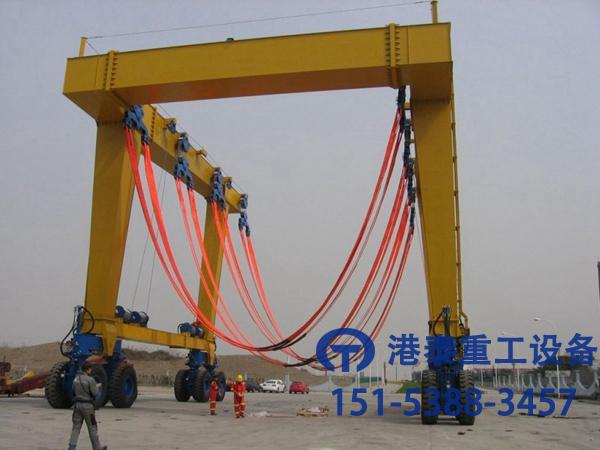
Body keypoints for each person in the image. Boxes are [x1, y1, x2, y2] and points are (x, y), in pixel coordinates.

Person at [68, 362, 107, 450]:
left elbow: (73, 392)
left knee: (76, 428)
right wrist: (97, 387)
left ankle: (71, 447)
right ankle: (97, 448)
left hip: (77, 406)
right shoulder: (90, 380)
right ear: (88, 369)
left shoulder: (76, 379)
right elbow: (95, 394)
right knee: (92, 427)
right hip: (88, 407)